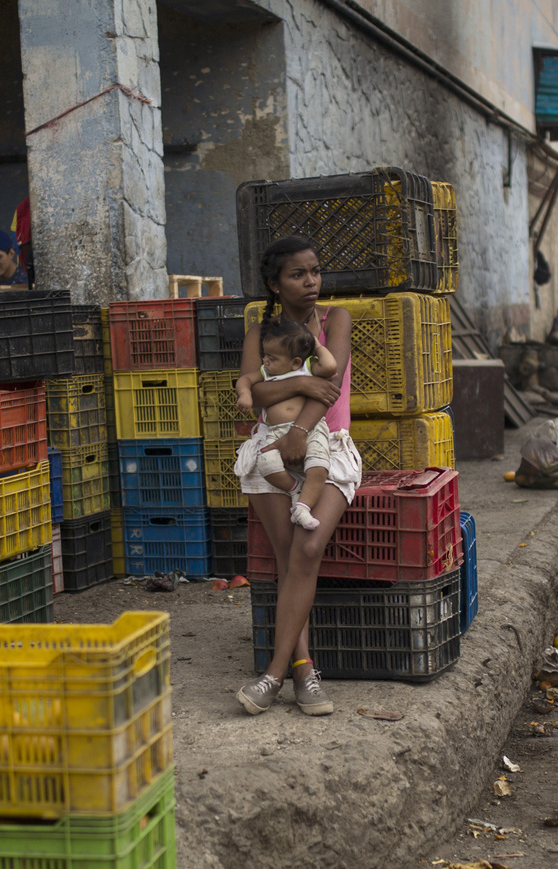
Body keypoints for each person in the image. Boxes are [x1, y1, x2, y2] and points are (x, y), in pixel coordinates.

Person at [232, 236, 363, 717]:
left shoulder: (335, 320)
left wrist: (300, 427)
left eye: (315, 271)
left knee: (308, 547)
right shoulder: (258, 333)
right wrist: (301, 382)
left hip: (326, 446)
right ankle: (303, 670)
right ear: (274, 283)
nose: (311, 282)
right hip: (268, 450)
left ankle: (272, 672)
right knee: (289, 556)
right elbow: (253, 393)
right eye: (297, 274)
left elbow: (330, 384)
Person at [233, 316, 339, 531]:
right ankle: (295, 488)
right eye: (265, 356)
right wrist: (244, 395)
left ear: (295, 362)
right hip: (274, 431)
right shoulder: (266, 372)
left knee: (319, 467)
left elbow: (330, 366)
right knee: (266, 465)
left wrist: (316, 344)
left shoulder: (306, 368)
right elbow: (244, 380)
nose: (265, 361)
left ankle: (302, 507)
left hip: (311, 429)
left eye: (272, 358)